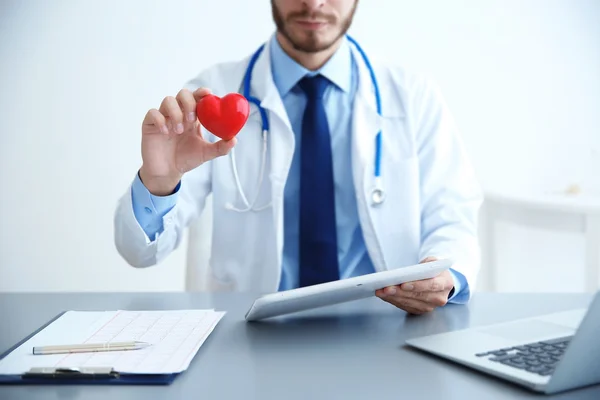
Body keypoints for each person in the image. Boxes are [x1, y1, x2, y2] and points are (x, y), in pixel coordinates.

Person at [113, 0, 483, 315]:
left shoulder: (412, 96)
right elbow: (138, 253)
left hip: (385, 325)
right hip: (253, 340)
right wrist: (159, 181)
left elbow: (453, 215)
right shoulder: (207, 101)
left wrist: (445, 272)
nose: (313, 2)